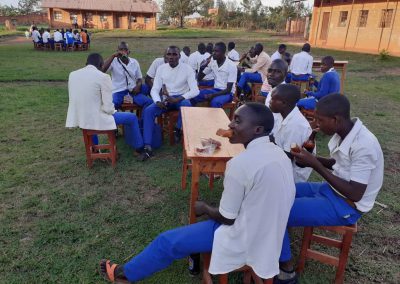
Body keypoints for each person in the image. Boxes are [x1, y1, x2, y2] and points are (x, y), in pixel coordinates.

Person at [99, 103, 296, 283]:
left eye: (237, 120)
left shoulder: (240, 164)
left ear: (257, 130)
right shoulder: (279, 153)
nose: (230, 124)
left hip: (245, 235)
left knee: (167, 241)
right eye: (232, 118)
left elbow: (227, 219)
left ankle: (124, 275)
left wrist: (205, 208)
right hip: (273, 231)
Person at [275, 94, 384, 284]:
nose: (316, 124)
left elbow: (355, 193)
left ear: (335, 119)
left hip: (346, 205)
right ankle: (278, 238)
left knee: (277, 211)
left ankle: (286, 271)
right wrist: (310, 159)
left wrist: (315, 165)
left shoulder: (364, 145)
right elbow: (338, 163)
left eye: (320, 120)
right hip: (331, 191)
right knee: (283, 190)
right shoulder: (343, 132)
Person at [66, 53, 145, 154]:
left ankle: (95, 150)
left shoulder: (73, 75)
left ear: (86, 63)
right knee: (132, 118)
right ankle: (139, 148)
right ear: (101, 65)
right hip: (98, 118)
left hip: (81, 118)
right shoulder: (103, 77)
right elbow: (108, 108)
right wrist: (114, 111)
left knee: (90, 118)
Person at [140, 46, 198, 160]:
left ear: (179, 56)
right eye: (169, 54)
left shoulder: (187, 69)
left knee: (187, 105)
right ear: (166, 56)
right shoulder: (161, 68)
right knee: (148, 111)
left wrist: (179, 98)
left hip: (180, 99)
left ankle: (178, 129)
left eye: (174, 54)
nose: (171, 57)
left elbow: (195, 90)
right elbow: (155, 89)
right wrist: (157, 101)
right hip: (165, 100)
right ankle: (147, 146)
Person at [269, 84, 313, 182]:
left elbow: (290, 157)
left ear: (284, 103)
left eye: (273, 99)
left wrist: (271, 143)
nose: (269, 102)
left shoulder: (296, 125)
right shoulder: (281, 115)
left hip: (292, 174)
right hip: (279, 160)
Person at [102, 42, 152, 110]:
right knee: (113, 104)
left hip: (132, 92)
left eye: (125, 50)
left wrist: (138, 85)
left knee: (148, 102)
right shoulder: (113, 61)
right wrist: (113, 56)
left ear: (129, 52)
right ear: (117, 51)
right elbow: (102, 70)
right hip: (118, 92)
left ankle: (141, 120)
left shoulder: (134, 62)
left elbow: (139, 78)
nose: (123, 52)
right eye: (121, 50)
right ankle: (116, 120)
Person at [192, 42, 237, 108]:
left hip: (227, 93)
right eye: (213, 51)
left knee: (215, 102)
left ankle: (215, 118)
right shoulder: (213, 62)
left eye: (216, 51)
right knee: (194, 95)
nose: (213, 53)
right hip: (215, 90)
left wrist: (213, 95)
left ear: (223, 53)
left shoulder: (231, 65)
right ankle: (193, 115)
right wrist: (201, 68)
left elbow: (228, 90)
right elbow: (199, 78)